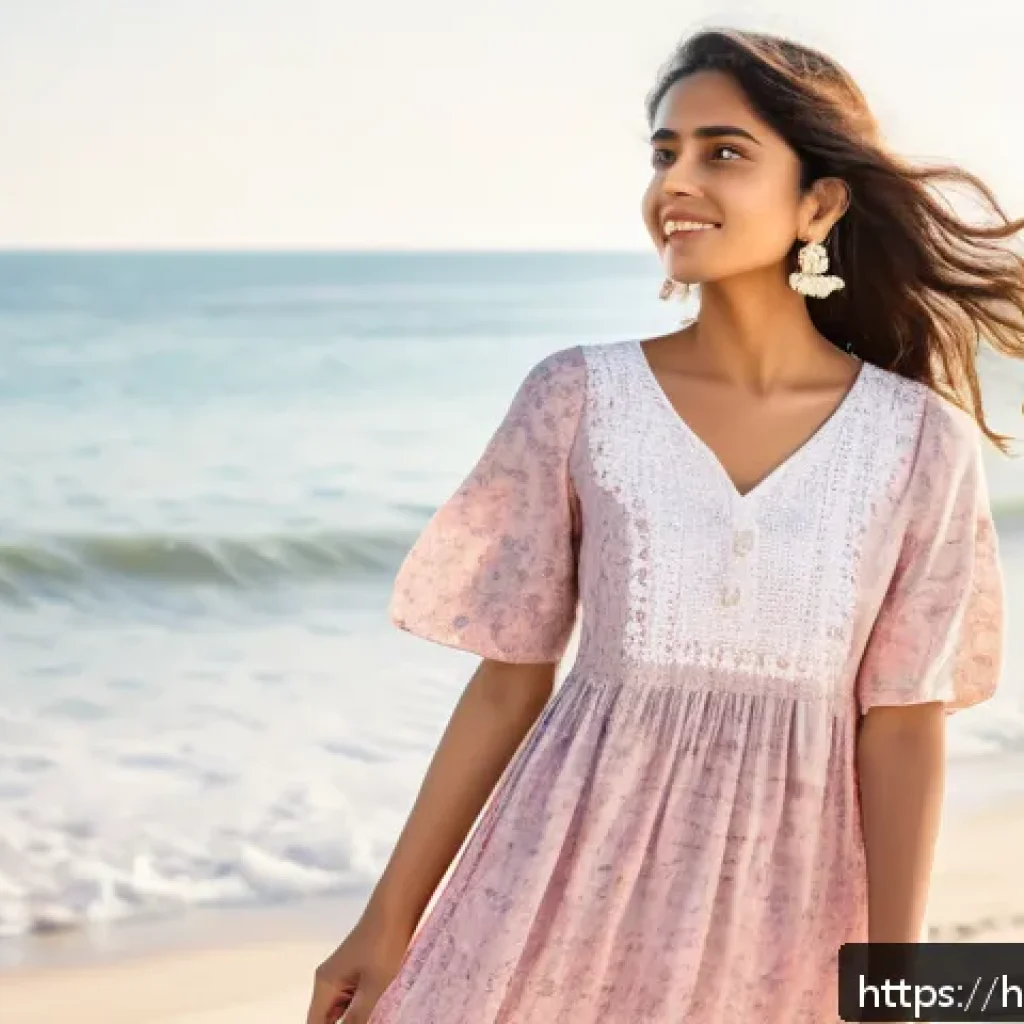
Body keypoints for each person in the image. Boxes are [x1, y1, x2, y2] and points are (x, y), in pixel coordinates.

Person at [307, 27, 1021, 1024]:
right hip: (555, 873)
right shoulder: (577, 396)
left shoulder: (917, 444)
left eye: (722, 151)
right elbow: (509, 682)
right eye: (663, 151)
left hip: (785, 900)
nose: (676, 181)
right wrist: (385, 922)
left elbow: (901, 725)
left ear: (818, 201)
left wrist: (892, 988)